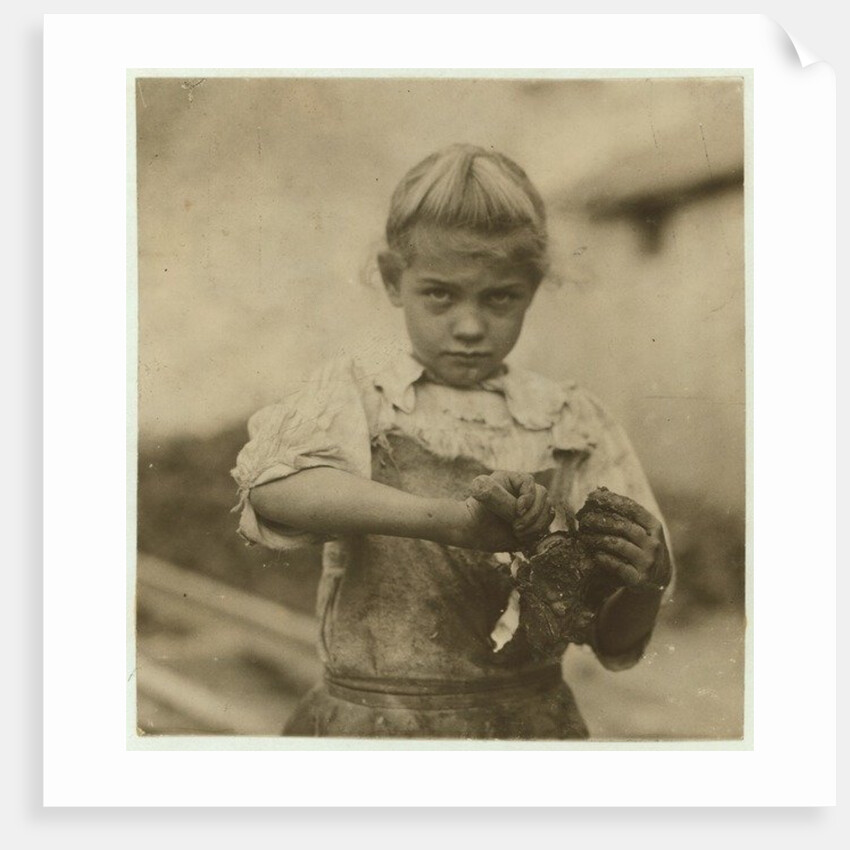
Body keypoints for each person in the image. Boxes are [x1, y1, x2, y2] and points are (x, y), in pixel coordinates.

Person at [231, 144, 673, 739]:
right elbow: (270, 490)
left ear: (533, 287)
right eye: (440, 293)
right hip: (372, 731)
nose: (469, 326)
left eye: (500, 298)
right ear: (394, 279)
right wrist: (447, 522)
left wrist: (649, 579)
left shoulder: (570, 420)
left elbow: (614, 641)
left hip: (525, 732)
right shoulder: (362, 394)